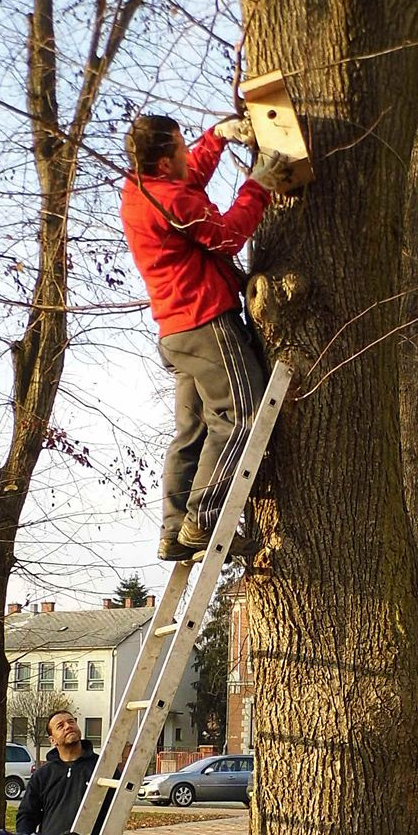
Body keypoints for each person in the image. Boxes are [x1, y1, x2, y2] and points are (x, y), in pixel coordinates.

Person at [120, 112, 293, 561]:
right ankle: (203, 521)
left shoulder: (143, 191)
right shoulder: (173, 203)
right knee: (242, 417)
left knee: (192, 431)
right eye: (179, 146)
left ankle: (173, 529)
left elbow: (189, 177)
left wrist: (215, 138)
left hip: (175, 332)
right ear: (162, 163)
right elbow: (228, 236)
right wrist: (259, 185)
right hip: (204, 326)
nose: (186, 152)